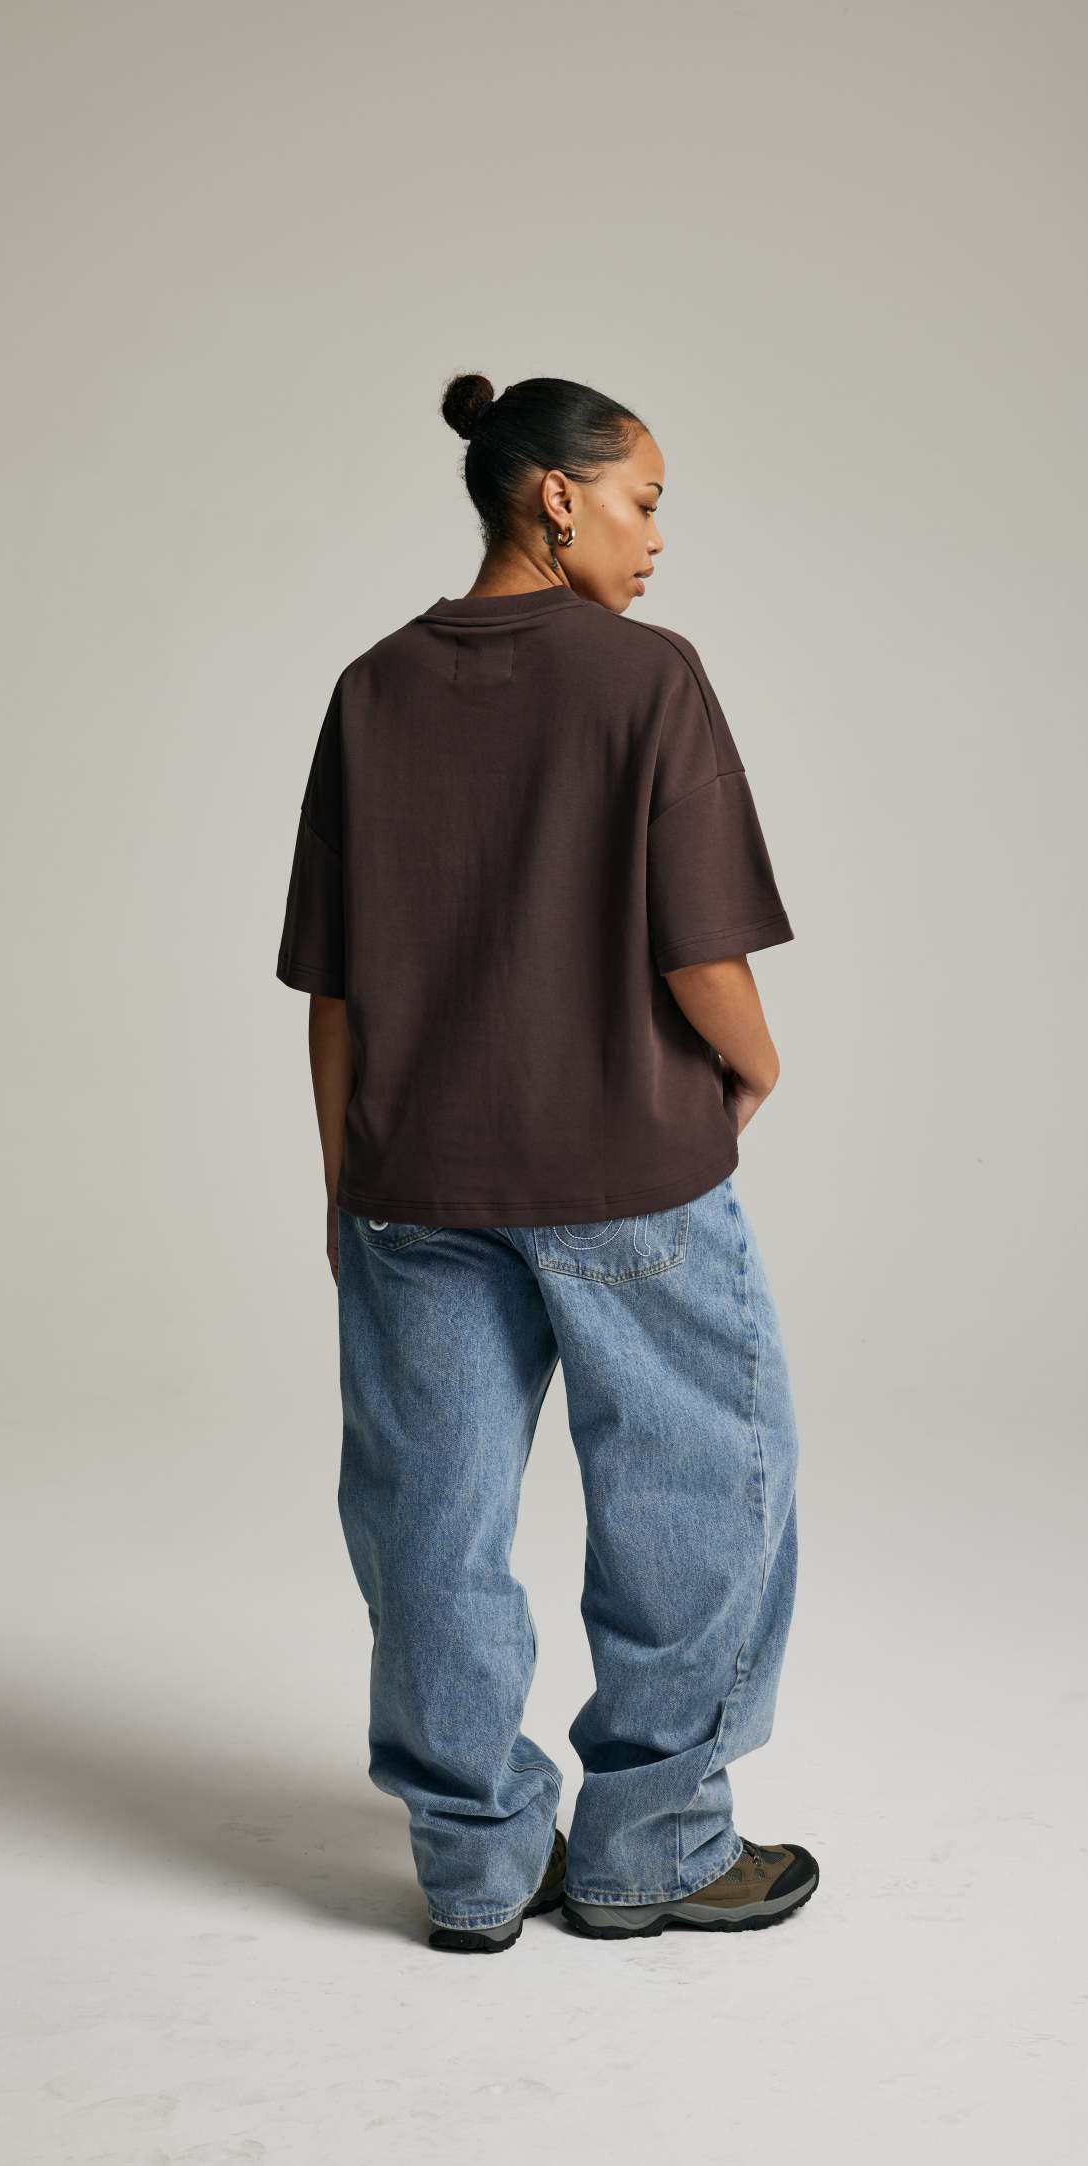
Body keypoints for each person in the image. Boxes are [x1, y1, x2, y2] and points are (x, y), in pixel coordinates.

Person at [275, 371, 816, 1952]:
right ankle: (657, 1846)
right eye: (642, 501)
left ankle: (474, 1861)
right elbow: (698, 950)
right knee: (696, 1499)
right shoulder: (647, 677)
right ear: (556, 497)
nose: (655, 539)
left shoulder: (370, 688)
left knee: (426, 1524)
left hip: (412, 1184)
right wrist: (758, 1064)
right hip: (628, 1174)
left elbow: (336, 989)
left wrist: (342, 1181)